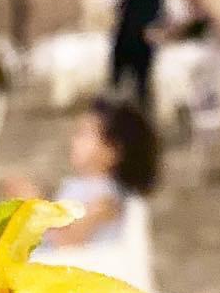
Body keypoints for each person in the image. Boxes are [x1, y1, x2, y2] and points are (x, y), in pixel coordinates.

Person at [29, 97, 160, 250]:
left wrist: (35, 206)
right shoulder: (79, 186)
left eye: (84, 134)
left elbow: (67, 240)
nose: (74, 141)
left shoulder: (106, 199)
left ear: (112, 152)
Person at [110, 0, 164, 106]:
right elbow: (157, 12)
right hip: (144, 34)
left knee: (120, 72)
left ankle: (120, 104)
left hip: (127, 32)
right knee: (142, 76)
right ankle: (142, 104)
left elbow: (121, 6)